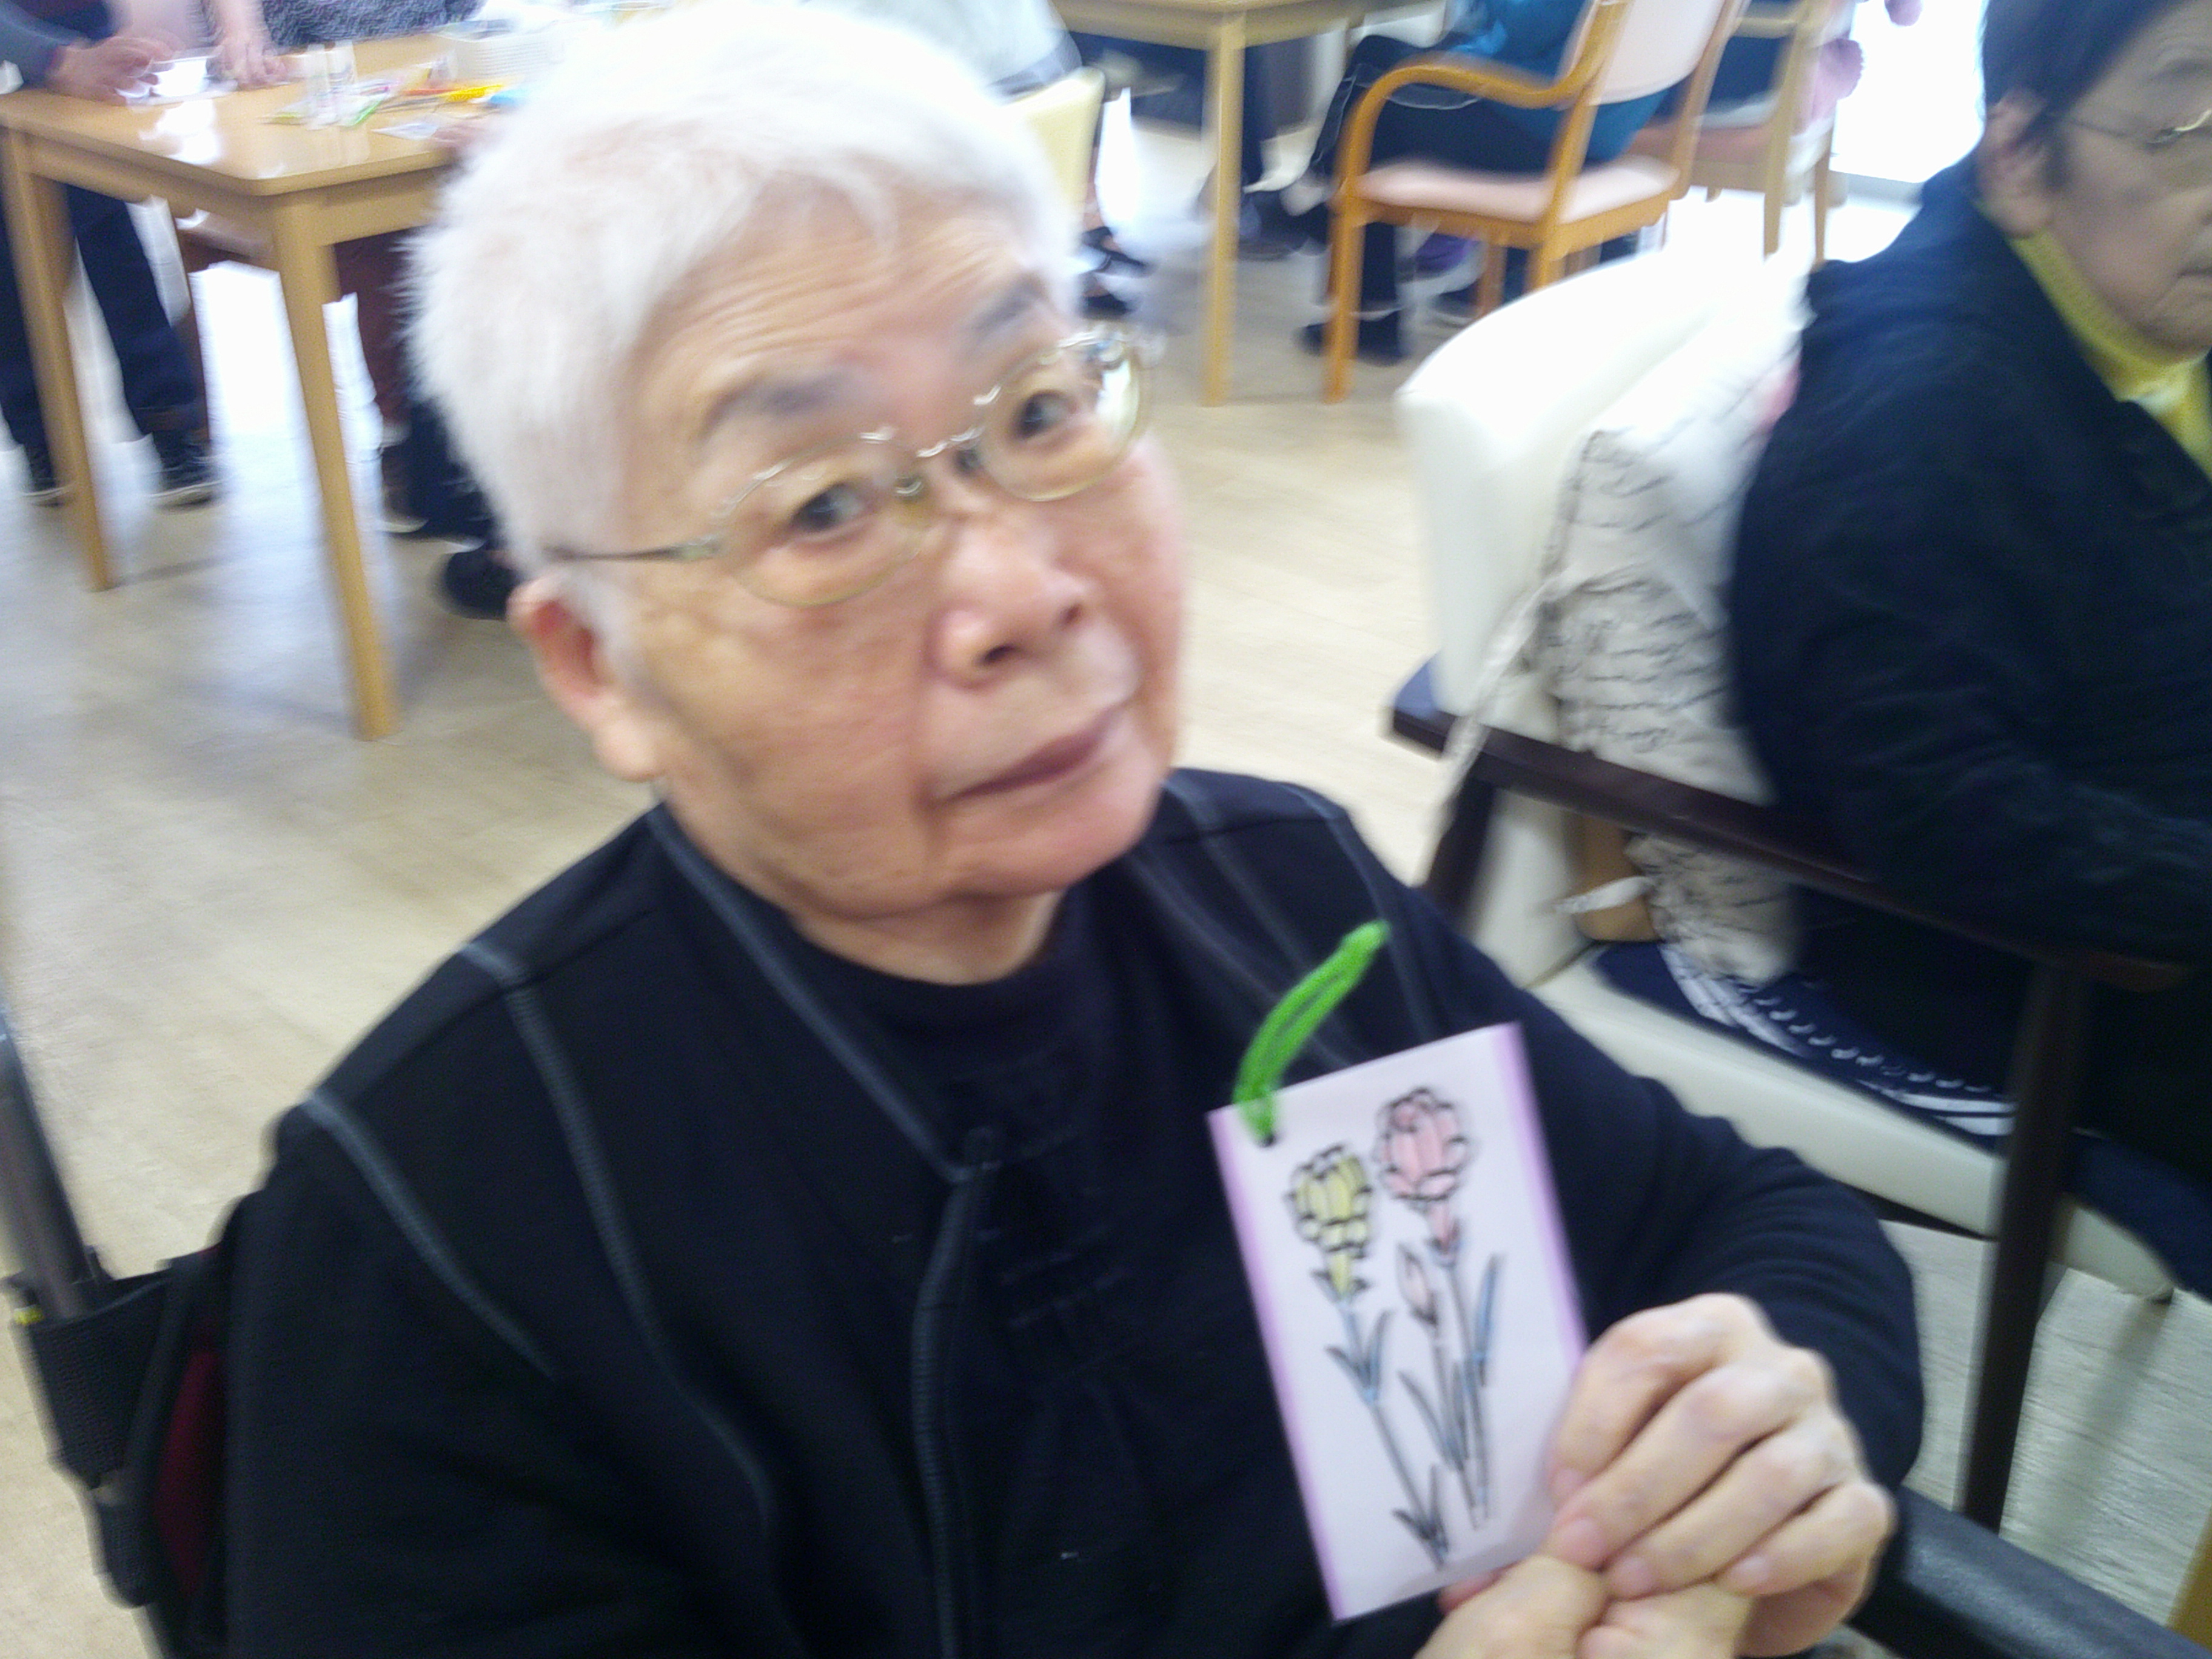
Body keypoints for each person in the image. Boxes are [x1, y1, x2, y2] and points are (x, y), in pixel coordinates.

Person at [223, 10, 1917, 1656]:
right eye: (822, 505)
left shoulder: (1281, 899)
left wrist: (1755, 1434)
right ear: (602, 668)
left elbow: (1749, 1215)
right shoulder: (437, 1245)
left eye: (1038, 410)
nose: (1021, 589)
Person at [1732, 0, 2212, 1285]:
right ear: (2017, 157)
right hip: (2065, 984)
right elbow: (1937, 805)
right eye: (2184, 124)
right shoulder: (1922, 414)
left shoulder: (2143, 305)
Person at [1249, 0, 1678, 364]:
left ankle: (1323, 220)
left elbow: (1526, 28)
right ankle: (1323, 216)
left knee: (1373, 98)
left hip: (1536, 120)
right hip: (1603, 131)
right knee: (1378, 53)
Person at [0, 0, 216, 506]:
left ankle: (168, 422)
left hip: (84, 25)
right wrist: (58, 60)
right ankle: (40, 433)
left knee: (108, 227)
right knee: (12, 245)